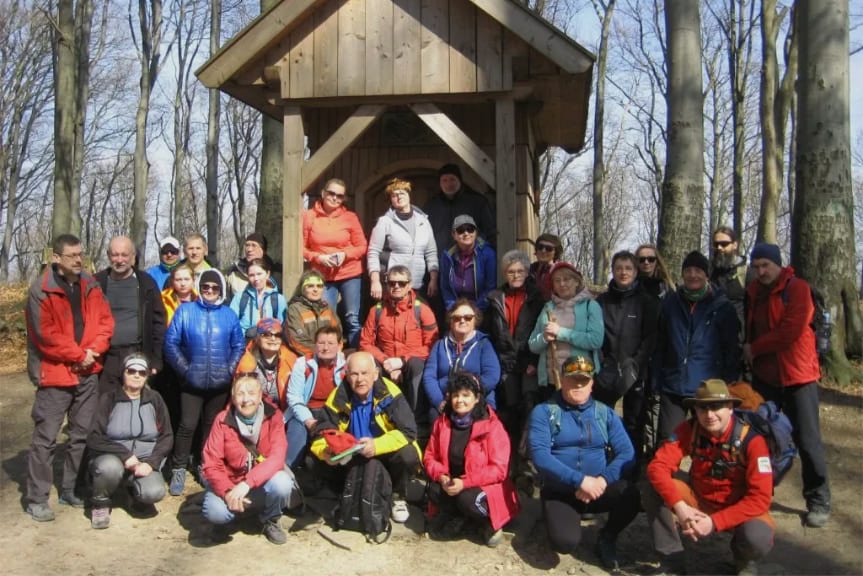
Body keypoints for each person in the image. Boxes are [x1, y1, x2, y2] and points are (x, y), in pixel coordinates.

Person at [24, 234, 114, 521]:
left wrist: (93, 350)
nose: (78, 260)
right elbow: (45, 336)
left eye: (80, 254)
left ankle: (70, 488)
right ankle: (37, 498)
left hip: (88, 372)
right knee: (46, 438)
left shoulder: (91, 285)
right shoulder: (42, 290)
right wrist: (78, 355)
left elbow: (105, 323)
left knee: (81, 434)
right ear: (56, 258)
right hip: (55, 374)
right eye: (72, 255)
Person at [645, 379, 774, 575]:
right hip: (699, 499)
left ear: (730, 407)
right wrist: (679, 506)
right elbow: (657, 466)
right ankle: (672, 560)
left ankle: (743, 562)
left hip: (738, 506)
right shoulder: (690, 429)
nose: (709, 415)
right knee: (652, 485)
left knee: (757, 537)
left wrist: (715, 522)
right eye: (703, 408)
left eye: (716, 407)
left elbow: (760, 499)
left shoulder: (753, 441)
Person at [743, 242, 831, 528]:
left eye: (765, 265)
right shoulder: (754, 291)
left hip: (798, 376)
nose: (761, 271)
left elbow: (790, 332)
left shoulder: (798, 289)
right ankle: (759, 494)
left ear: (778, 264)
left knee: (807, 441)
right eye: (756, 267)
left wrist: (754, 349)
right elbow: (750, 326)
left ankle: (818, 499)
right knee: (760, 440)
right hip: (766, 378)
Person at [527, 356, 640, 570]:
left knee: (631, 495)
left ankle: (607, 537)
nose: (578, 385)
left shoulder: (604, 413)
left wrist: (603, 480)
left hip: (597, 488)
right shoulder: (544, 412)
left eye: (583, 381)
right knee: (564, 543)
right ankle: (552, 513)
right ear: (561, 379)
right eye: (572, 380)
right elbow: (540, 456)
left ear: (592, 383)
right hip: (561, 490)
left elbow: (627, 453)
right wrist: (579, 481)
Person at [311, 351, 422, 524]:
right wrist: (326, 452)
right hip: (352, 454)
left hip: (385, 453)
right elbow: (320, 432)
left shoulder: (390, 393)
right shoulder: (338, 396)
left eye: (365, 373)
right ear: (346, 376)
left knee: (407, 455)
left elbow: (409, 431)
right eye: (354, 374)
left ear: (375, 374)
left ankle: (398, 496)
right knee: (314, 459)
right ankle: (344, 494)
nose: (360, 379)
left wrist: (376, 445)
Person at [164, 269, 245, 496]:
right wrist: (185, 370)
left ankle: (204, 465)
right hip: (192, 382)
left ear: (221, 289)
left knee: (211, 427)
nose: (209, 291)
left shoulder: (228, 315)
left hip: (219, 383)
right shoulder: (186, 311)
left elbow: (238, 345)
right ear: (199, 289)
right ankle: (179, 467)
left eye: (215, 288)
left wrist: (229, 370)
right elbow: (171, 343)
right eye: (206, 287)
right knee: (187, 426)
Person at [424, 372, 520, 547]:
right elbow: (430, 456)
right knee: (435, 490)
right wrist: (442, 476)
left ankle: (489, 523)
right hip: (454, 481)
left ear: (477, 398)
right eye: (456, 395)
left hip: (485, 486)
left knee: (467, 500)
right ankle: (461, 517)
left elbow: (499, 470)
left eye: (466, 395)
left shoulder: (492, 425)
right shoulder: (442, 423)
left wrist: (465, 482)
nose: (460, 400)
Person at [652, 251, 741, 442]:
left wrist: (729, 382)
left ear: (707, 275)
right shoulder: (671, 303)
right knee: (668, 440)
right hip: (673, 384)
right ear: (682, 274)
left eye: (698, 270)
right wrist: (656, 378)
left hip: (708, 387)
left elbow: (731, 349)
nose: (693, 275)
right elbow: (660, 343)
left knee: (708, 442)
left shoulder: (721, 307)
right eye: (688, 270)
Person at [201, 375, 296, 545]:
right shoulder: (222, 420)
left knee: (283, 482)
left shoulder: (274, 416)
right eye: (240, 394)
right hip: (230, 484)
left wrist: (247, 483)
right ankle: (224, 522)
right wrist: (228, 491)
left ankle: (271, 520)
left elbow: (277, 458)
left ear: (260, 396)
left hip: (258, 483)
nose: (246, 399)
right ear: (233, 397)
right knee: (215, 512)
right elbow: (211, 463)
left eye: (251, 393)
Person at [87, 353, 173, 529]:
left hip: (144, 460)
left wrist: (151, 463)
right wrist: (125, 455)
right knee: (109, 468)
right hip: (113, 458)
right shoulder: (108, 399)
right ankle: (101, 503)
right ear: (123, 373)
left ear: (147, 376)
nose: (136, 375)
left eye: (142, 372)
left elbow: (167, 436)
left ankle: (133, 496)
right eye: (131, 370)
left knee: (154, 492)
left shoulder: (155, 399)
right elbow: (94, 437)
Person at [595, 250, 660, 463]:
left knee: (634, 422)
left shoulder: (646, 301)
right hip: (607, 368)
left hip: (635, 369)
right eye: (619, 268)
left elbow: (650, 337)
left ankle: (631, 467)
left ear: (635, 271)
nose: (623, 273)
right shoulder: (602, 301)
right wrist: (601, 360)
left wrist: (637, 363)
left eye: (628, 268)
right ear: (612, 271)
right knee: (602, 418)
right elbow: (595, 334)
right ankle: (603, 460)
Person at [359, 264, 439, 423]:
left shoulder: (422, 310)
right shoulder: (377, 311)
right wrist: (386, 361)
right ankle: (375, 416)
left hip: (411, 363)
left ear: (409, 285)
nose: (396, 286)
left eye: (401, 283)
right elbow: (365, 343)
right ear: (386, 284)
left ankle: (416, 419)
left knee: (417, 365)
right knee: (368, 363)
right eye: (392, 283)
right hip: (386, 361)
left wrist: (402, 361)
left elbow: (432, 345)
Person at [95, 236, 166, 394]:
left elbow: (158, 323)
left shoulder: (146, 283)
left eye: (124, 255)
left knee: (135, 403)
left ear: (133, 257)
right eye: (115, 255)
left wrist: (155, 359)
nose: (119, 260)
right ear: (108, 255)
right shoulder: (96, 283)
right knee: (105, 405)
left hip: (137, 353)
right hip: (106, 358)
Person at [486, 250, 545, 443]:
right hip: (505, 361)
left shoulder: (537, 299)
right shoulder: (495, 298)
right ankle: (509, 456)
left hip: (529, 361)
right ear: (505, 273)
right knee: (509, 409)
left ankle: (526, 460)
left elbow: (542, 332)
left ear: (527, 272)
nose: (516, 275)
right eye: (511, 271)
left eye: (520, 271)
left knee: (529, 407)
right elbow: (490, 332)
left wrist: (535, 361)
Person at [303, 178, 368, 348]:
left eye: (340, 196)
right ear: (323, 193)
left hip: (350, 273)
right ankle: (328, 354)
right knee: (325, 317)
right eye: (331, 193)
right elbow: (300, 248)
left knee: (352, 317)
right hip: (322, 275)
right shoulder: (309, 216)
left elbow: (362, 246)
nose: (335, 198)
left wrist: (344, 255)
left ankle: (356, 355)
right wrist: (318, 258)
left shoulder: (350, 217)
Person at [528, 261, 604, 403]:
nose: (562, 284)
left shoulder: (590, 306)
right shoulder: (548, 308)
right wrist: (544, 338)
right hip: (551, 381)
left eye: (567, 279)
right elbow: (532, 345)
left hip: (579, 378)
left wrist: (560, 332)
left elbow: (595, 340)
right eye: (557, 281)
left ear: (576, 281)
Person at [423, 299, 500, 423]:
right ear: (450, 321)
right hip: (446, 401)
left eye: (468, 317)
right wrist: (439, 401)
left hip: (476, 400)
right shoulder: (439, 345)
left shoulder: (484, 345)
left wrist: (468, 397)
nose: (462, 321)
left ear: (475, 320)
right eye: (457, 318)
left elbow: (492, 376)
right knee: (435, 417)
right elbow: (429, 377)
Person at [367, 177, 438, 302]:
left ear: (409, 195)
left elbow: (431, 252)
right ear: (390, 200)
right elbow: (373, 252)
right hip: (395, 284)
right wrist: (375, 281)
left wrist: (433, 279)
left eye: (402, 193)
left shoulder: (423, 221)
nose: (399, 197)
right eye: (394, 195)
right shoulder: (385, 222)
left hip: (417, 283)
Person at [285, 325, 346, 468]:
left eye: (330, 343)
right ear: (315, 344)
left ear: (339, 345)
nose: (325, 348)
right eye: (321, 343)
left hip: (333, 415)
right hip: (305, 413)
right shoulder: (303, 363)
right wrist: (309, 420)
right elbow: (294, 397)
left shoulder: (346, 366)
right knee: (292, 454)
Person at [424, 163, 496, 252]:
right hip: (442, 260)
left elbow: (490, 232)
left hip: (472, 259)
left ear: (460, 181)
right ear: (439, 183)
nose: (448, 184)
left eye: (452, 179)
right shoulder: (431, 206)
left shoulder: (477, 202)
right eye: (444, 180)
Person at [235, 317, 298, 413]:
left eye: (278, 335)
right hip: (252, 413)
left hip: (284, 414)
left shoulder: (292, 361)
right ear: (258, 338)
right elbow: (237, 394)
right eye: (266, 335)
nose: (273, 338)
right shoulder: (245, 361)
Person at [439, 214, 497, 312]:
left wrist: (475, 310)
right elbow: (446, 288)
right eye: (461, 230)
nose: (466, 233)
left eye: (470, 229)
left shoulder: (488, 254)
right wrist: (453, 308)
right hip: (456, 310)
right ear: (454, 235)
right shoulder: (447, 256)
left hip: (482, 309)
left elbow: (490, 287)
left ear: (476, 232)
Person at [283, 269, 341, 359]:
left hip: (329, 356)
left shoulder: (327, 308)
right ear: (302, 289)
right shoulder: (294, 309)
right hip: (303, 357)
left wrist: (335, 351)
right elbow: (296, 339)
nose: (315, 289)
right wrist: (319, 353)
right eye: (310, 286)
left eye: (319, 286)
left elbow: (338, 335)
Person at [229, 257, 287, 339]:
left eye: (259, 274)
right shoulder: (240, 297)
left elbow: (283, 327)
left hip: (270, 344)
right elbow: (231, 325)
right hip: (245, 346)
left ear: (267, 274)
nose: (256, 278)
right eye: (251, 275)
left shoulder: (278, 299)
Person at [710, 226, 748, 332]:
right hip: (712, 337)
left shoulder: (747, 273)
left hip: (738, 338)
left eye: (724, 244)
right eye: (716, 244)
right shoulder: (709, 272)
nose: (719, 248)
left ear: (735, 245)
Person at [226, 232, 283, 298]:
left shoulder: (277, 273)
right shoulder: (234, 272)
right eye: (247, 245)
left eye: (254, 245)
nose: (249, 249)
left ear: (263, 250)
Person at [529, 233, 563, 301]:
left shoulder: (560, 273)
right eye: (540, 247)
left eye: (549, 249)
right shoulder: (528, 271)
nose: (543, 251)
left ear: (555, 253)